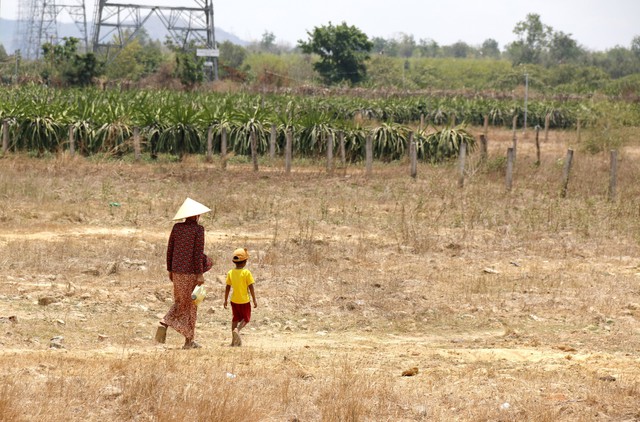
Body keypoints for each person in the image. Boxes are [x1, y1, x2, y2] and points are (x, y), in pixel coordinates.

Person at [155, 198, 213, 349]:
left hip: (177, 271)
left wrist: (170, 270)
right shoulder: (198, 230)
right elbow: (197, 253)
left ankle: (170, 326)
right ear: (196, 215)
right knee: (192, 305)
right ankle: (187, 339)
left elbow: (170, 249)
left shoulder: (177, 228)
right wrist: (200, 274)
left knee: (180, 301)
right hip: (190, 273)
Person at [223, 248, 257, 347]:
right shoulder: (246, 273)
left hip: (234, 301)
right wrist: (254, 299)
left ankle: (233, 342)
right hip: (244, 301)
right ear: (245, 262)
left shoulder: (230, 273)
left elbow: (227, 287)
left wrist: (225, 300)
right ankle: (237, 330)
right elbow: (251, 287)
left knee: (235, 319)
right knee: (246, 318)